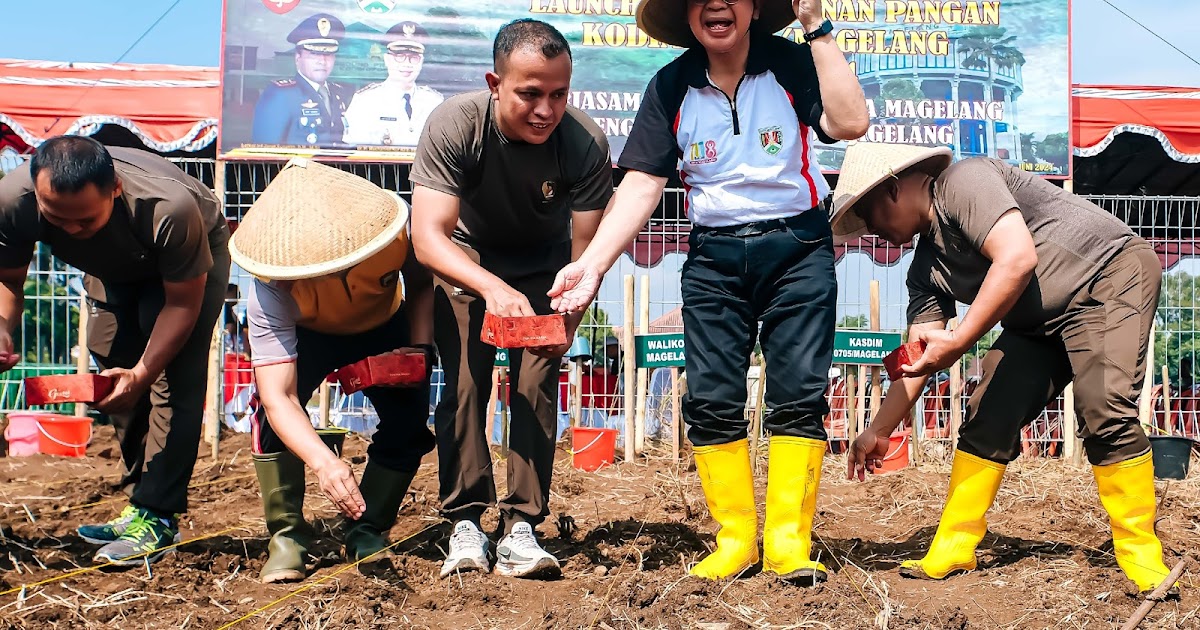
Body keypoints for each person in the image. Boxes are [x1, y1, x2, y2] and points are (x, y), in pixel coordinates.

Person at [547, 0, 867, 585]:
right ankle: (736, 540)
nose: (718, 4)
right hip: (713, 257)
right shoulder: (671, 86)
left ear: (754, 8)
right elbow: (642, 184)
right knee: (712, 398)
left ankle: (788, 544)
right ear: (686, 13)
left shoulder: (791, 64)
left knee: (798, 394)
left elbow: (850, 124)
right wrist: (591, 266)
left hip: (798, 248)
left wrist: (817, 29)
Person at [835, 141, 1178, 596]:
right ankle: (955, 545)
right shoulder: (924, 272)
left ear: (894, 189)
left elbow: (1017, 258)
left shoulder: (964, 181)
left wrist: (960, 339)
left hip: (1107, 279)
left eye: (869, 215)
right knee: (988, 413)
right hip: (1037, 322)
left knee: (1103, 407)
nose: (873, 231)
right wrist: (878, 429)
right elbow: (917, 358)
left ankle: (1140, 553)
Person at [409, 18, 614, 579]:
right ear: (495, 84)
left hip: (547, 267)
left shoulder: (585, 142)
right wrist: (491, 287)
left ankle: (522, 525)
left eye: (559, 94)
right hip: (465, 259)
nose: (546, 110)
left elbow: (586, 252)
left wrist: (569, 318)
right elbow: (428, 237)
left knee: (536, 384)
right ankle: (465, 522)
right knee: (465, 383)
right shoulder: (455, 125)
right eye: (530, 93)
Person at [0, 136, 229, 565]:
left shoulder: (169, 209)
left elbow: (181, 305)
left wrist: (143, 373)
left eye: (85, 220)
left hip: (185, 264)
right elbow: (8, 280)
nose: (70, 230)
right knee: (110, 364)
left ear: (116, 189)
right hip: (111, 267)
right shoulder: (14, 200)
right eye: (56, 218)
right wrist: (1, 328)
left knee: (171, 376)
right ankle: (140, 503)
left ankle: (158, 515)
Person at [230, 158, 436, 583]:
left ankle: (368, 527)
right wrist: (324, 462)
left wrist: (418, 348)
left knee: (408, 420)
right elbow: (280, 397)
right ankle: (287, 537)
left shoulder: (393, 233)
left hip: (385, 326)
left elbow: (420, 283)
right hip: (307, 335)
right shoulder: (271, 291)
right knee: (269, 419)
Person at [251, 13, 353, 147]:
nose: (322, 61)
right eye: (314, 54)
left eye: (328, 54)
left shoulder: (340, 93)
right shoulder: (281, 94)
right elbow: (265, 151)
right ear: (298, 57)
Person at [343, 21, 445, 148]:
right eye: (399, 56)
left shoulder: (435, 102)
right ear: (387, 60)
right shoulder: (365, 101)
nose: (407, 64)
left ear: (421, 62)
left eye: (414, 57)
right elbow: (354, 153)